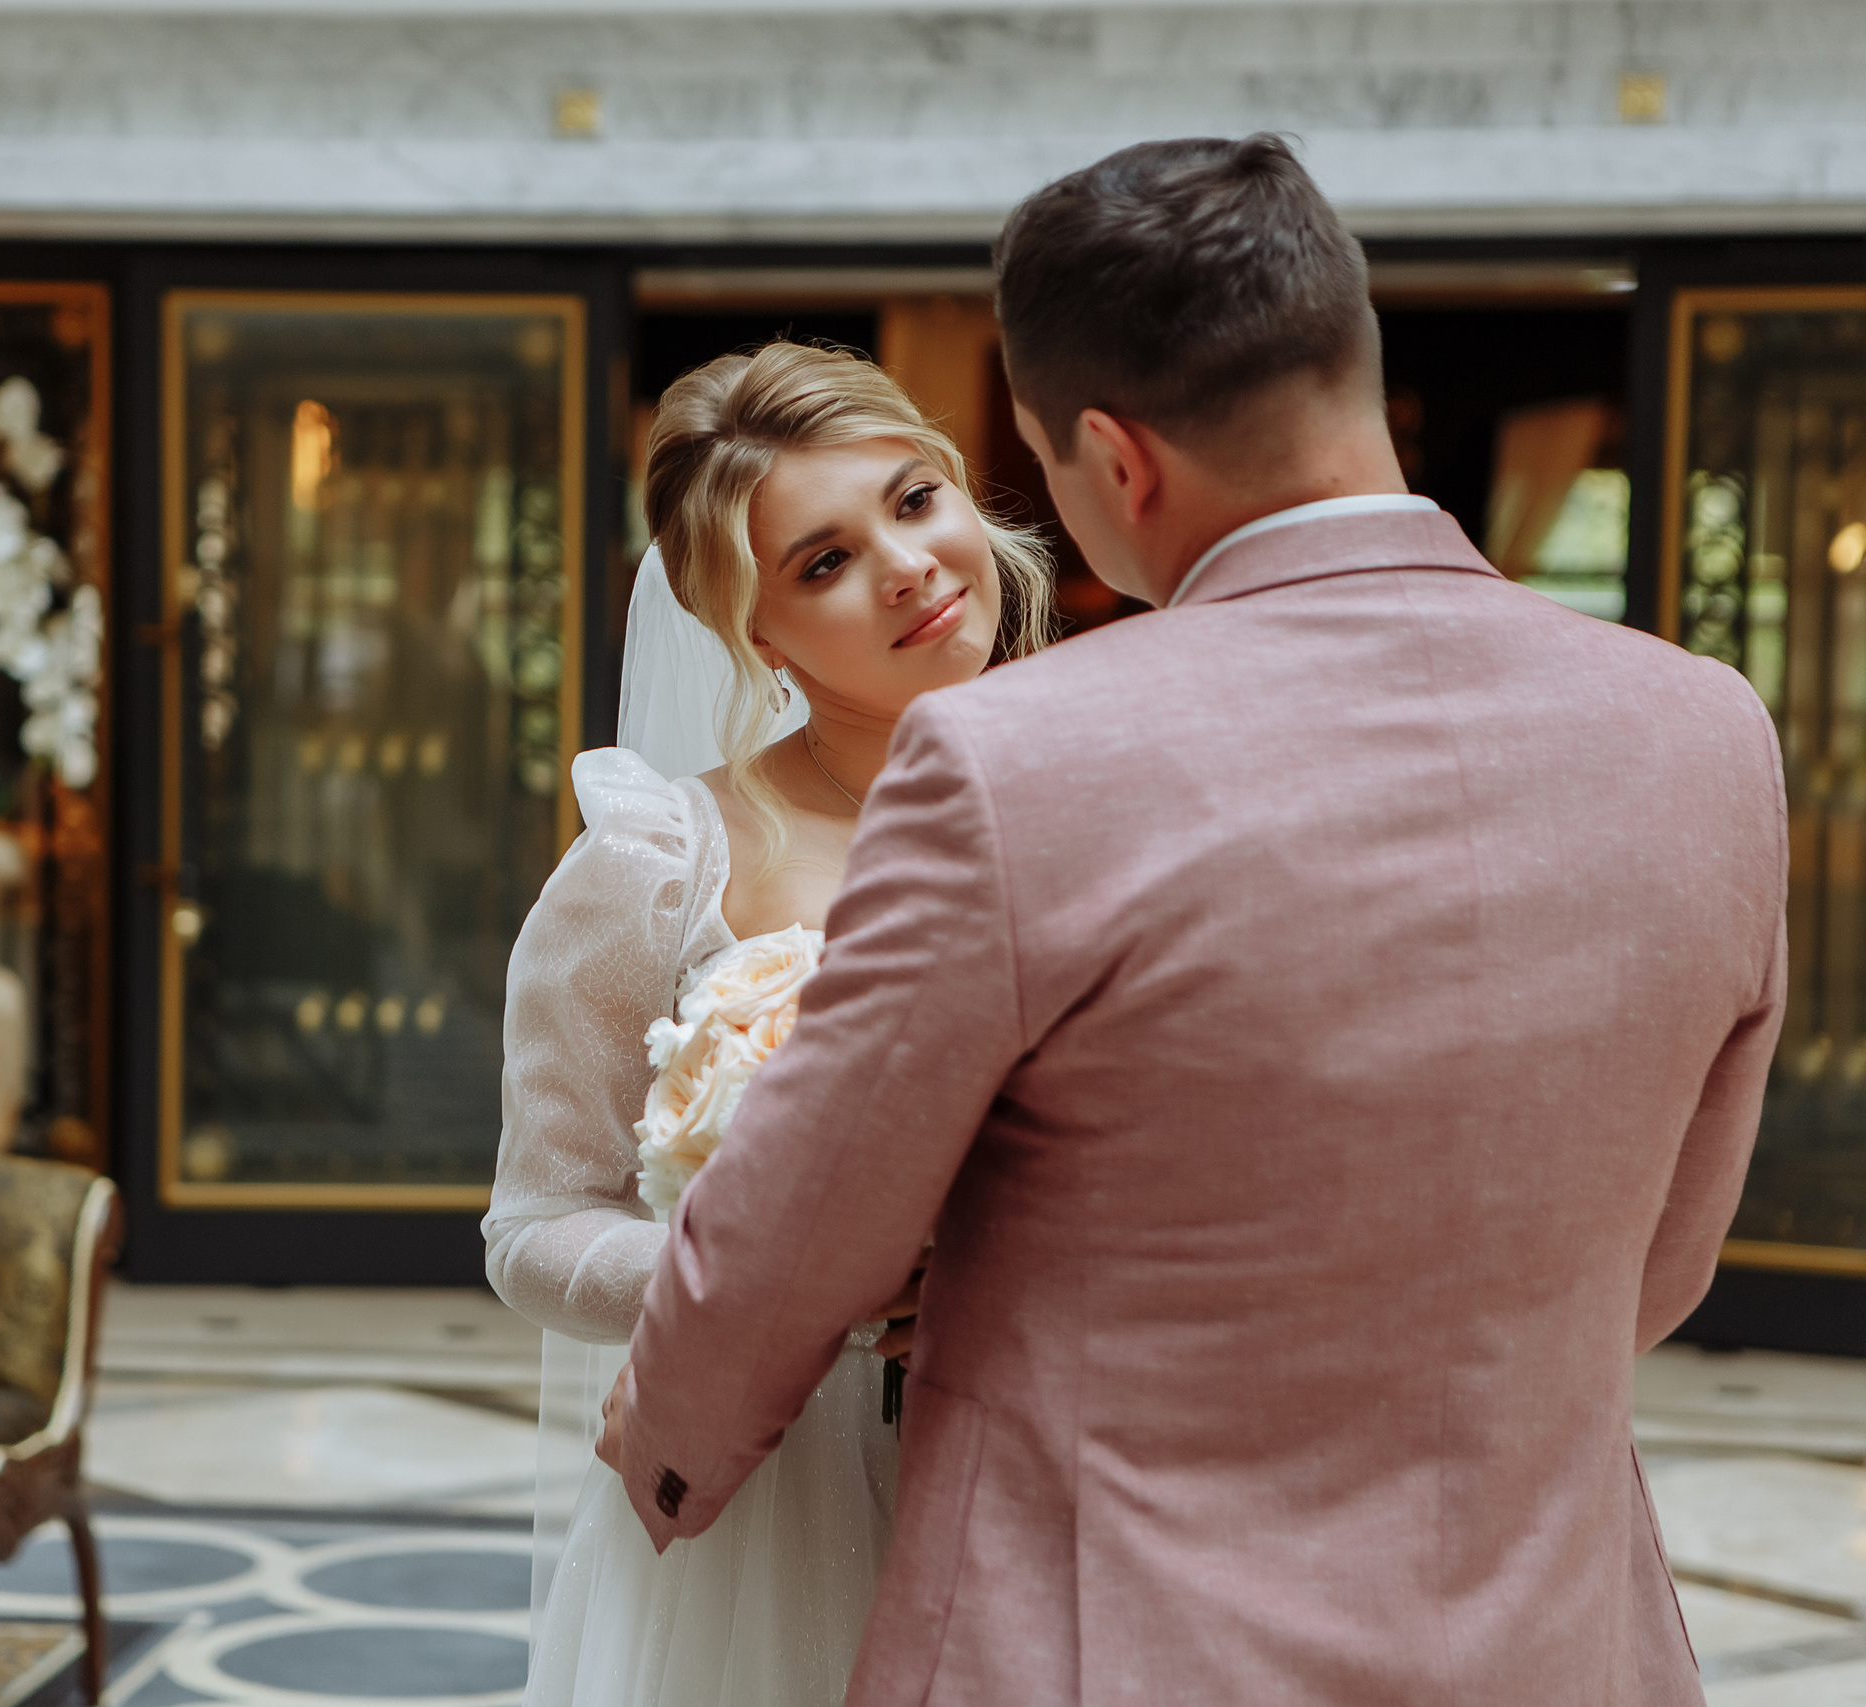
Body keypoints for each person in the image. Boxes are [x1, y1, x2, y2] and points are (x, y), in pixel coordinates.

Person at [598, 135, 1788, 1707]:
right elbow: (1665, 1263)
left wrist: (663, 1458)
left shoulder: (1012, 761)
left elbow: (790, 1242)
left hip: (1119, 1642)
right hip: (1558, 1633)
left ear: (1113, 457)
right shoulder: (1709, 730)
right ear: (1354, 358)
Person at [483, 341, 1058, 1707]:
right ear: (755, 635)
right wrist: (780, 1272)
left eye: (915, 502)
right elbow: (533, 1228)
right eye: (823, 563)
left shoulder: (1123, 794)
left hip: (1063, 1461)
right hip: (783, 1514)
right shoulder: (660, 864)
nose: (908, 565)